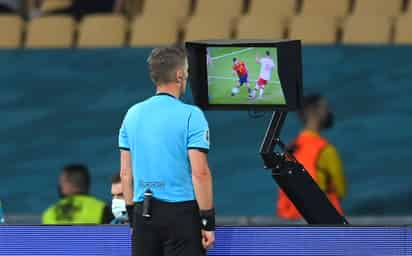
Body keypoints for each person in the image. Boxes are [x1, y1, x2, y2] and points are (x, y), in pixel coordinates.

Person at [119, 46, 215, 256]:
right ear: (180, 75)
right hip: (181, 214)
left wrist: (132, 217)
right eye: (187, 72)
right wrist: (207, 222)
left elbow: (126, 174)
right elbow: (200, 173)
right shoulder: (192, 115)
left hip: (143, 213)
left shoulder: (132, 114)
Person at [277, 94, 347, 220]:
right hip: (324, 222)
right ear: (315, 113)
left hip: (293, 221)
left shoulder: (290, 150)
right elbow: (341, 190)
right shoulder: (325, 150)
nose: (329, 112)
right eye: (325, 108)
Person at [42, 164, 112, 224]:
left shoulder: (49, 213)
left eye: (61, 182)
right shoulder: (102, 209)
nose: (59, 186)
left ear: (68, 184)